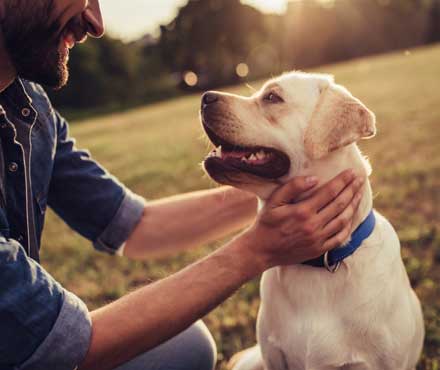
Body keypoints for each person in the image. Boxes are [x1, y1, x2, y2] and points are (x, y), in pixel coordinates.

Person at [0, 1, 365, 370]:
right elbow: (57, 345)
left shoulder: (29, 106)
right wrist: (256, 250)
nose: (96, 23)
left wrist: (293, 187)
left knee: (186, 346)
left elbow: (136, 225)